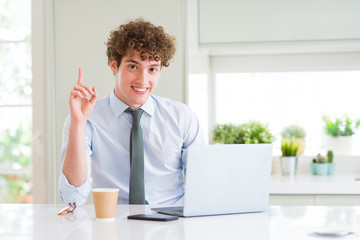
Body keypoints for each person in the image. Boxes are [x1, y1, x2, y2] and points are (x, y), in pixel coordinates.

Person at [58, 18, 205, 206]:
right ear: (114, 65)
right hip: (114, 222)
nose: (143, 79)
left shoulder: (182, 117)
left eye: (152, 69)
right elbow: (73, 198)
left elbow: (202, 185)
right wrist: (78, 125)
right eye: (133, 67)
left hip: (173, 222)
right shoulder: (87, 119)